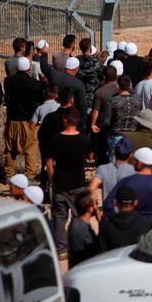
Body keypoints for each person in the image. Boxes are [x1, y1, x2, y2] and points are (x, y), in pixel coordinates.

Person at [46, 107, 92, 258]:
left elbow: (49, 163)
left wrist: (53, 180)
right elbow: (91, 156)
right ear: (77, 121)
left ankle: (61, 249)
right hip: (78, 183)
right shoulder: (84, 138)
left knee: (59, 217)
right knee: (79, 215)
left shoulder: (55, 139)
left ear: (65, 120)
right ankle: (78, 243)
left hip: (60, 184)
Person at [104, 147, 152, 224]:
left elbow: (108, 205)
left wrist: (120, 218)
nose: (133, 163)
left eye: (135, 161)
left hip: (131, 224)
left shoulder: (126, 182)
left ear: (139, 163)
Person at [3, 56, 43, 180]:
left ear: (16, 67)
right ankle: (30, 175)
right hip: (29, 121)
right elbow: (40, 101)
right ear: (29, 68)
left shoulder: (8, 81)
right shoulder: (36, 84)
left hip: (12, 120)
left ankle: (8, 174)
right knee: (31, 148)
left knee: (10, 148)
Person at [99, 185, 152, 251]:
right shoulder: (146, 224)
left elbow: (101, 252)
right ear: (136, 202)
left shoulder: (106, 226)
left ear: (115, 203)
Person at [89, 136, 135, 207]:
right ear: (130, 155)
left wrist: (96, 208)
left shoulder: (102, 168)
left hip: (108, 213)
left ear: (114, 153)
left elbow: (92, 188)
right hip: (126, 213)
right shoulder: (133, 172)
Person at [40, 54, 88, 120]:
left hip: (54, 114)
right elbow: (83, 106)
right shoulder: (79, 84)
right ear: (76, 69)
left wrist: (44, 54)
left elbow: (44, 67)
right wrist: (83, 123)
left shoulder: (54, 76)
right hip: (70, 118)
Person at [89, 65, 118, 165]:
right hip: (119, 125)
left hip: (104, 126)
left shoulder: (100, 92)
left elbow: (95, 111)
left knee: (102, 152)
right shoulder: (123, 88)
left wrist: (92, 124)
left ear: (104, 77)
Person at [68, 193, 100, 268]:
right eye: (95, 204)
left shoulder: (75, 222)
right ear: (90, 209)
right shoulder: (84, 230)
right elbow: (96, 251)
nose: (97, 207)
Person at [76, 38, 104, 110]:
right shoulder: (96, 62)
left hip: (79, 96)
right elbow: (103, 75)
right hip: (93, 97)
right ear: (90, 49)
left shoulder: (77, 61)